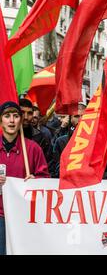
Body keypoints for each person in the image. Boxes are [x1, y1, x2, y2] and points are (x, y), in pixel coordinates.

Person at [0, 101, 50, 255]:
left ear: (21, 121)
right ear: (1, 121)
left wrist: (36, 181)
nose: (12, 120)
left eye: (16, 116)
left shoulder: (33, 149)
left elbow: (45, 179)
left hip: (23, 215)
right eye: (7, 116)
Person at [19, 99, 52, 168]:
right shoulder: (9, 136)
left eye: (29, 113)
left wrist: (36, 176)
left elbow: (46, 164)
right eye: (22, 112)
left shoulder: (41, 137)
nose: (26, 117)